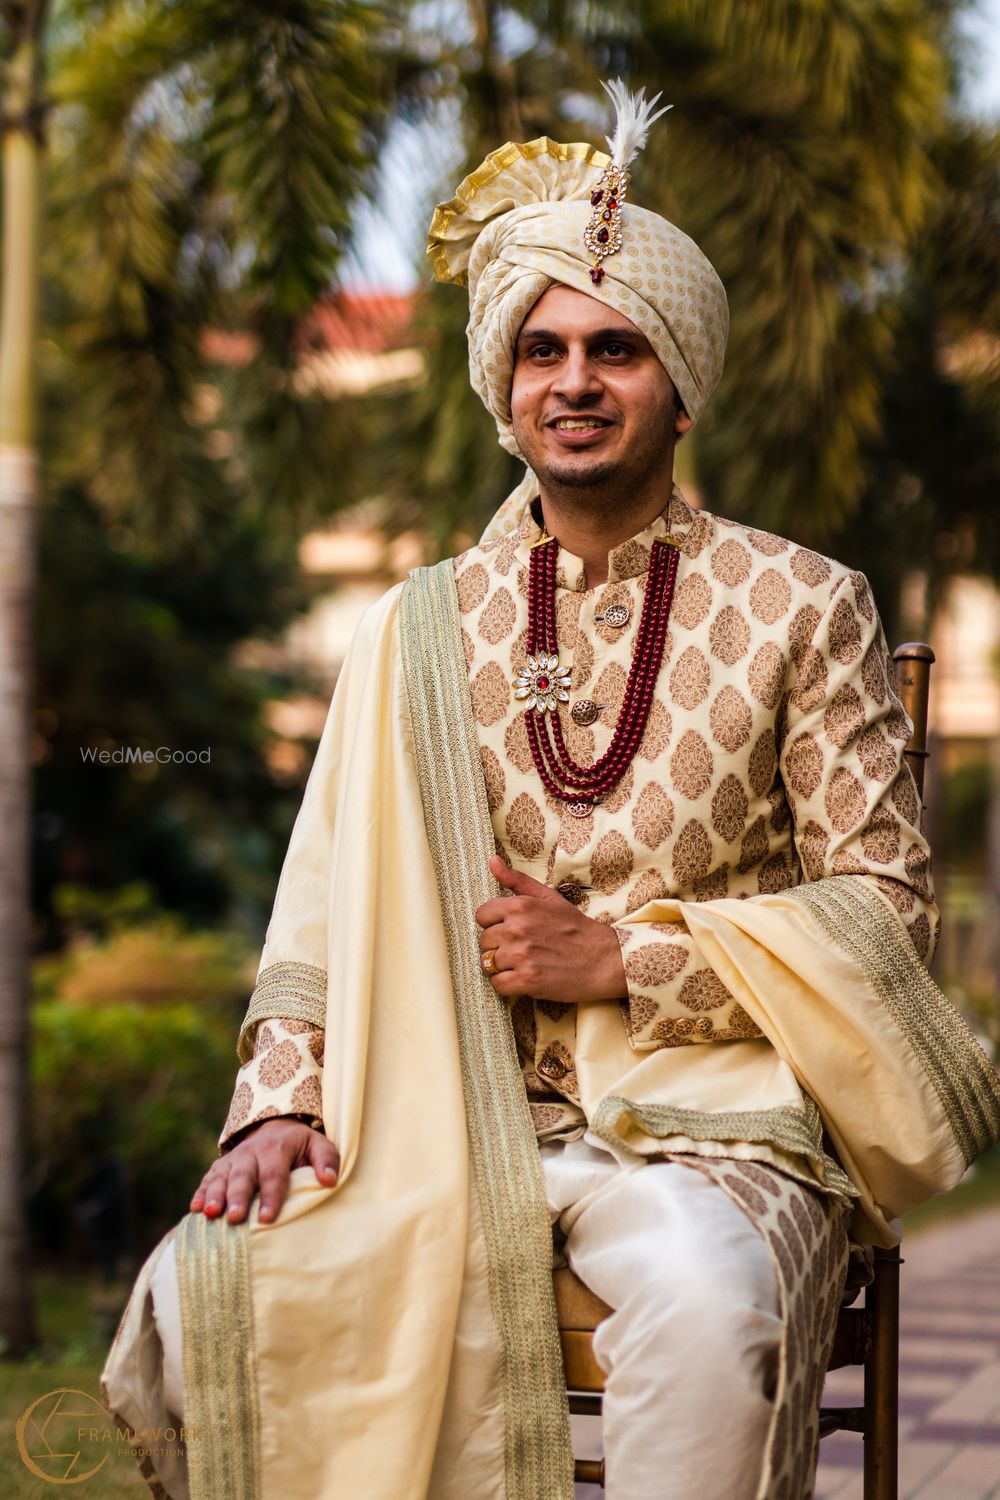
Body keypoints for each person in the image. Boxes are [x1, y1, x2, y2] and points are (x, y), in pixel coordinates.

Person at [101, 84, 1000, 1500]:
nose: (575, 380)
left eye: (617, 348)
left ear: (682, 384)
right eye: (543, 350)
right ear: (503, 386)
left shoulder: (802, 605)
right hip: (435, 1113)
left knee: (709, 1308)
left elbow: (887, 916)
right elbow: (321, 900)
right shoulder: (414, 627)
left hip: (718, 1124)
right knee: (221, 1284)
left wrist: (624, 964)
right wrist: (277, 1103)